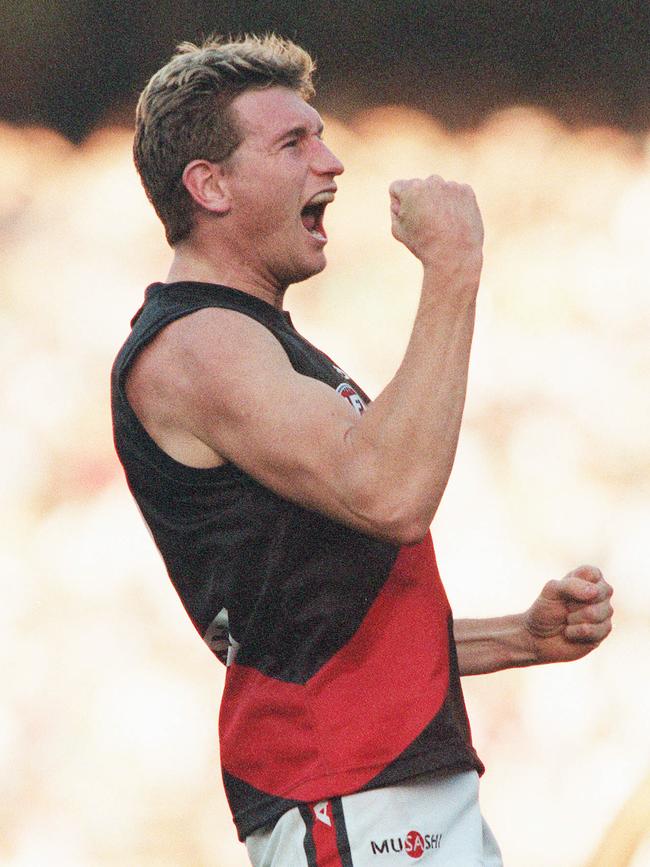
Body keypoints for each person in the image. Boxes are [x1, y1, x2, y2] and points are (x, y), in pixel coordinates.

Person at [111, 35, 614, 866]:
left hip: (381, 790)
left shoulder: (257, 343)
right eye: (293, 142)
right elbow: (393, 494)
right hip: (346, 790)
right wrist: (453, 265)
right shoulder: (200, 342)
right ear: (210, 185)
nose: (332, 162)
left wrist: (517, 638)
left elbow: (319, 625)